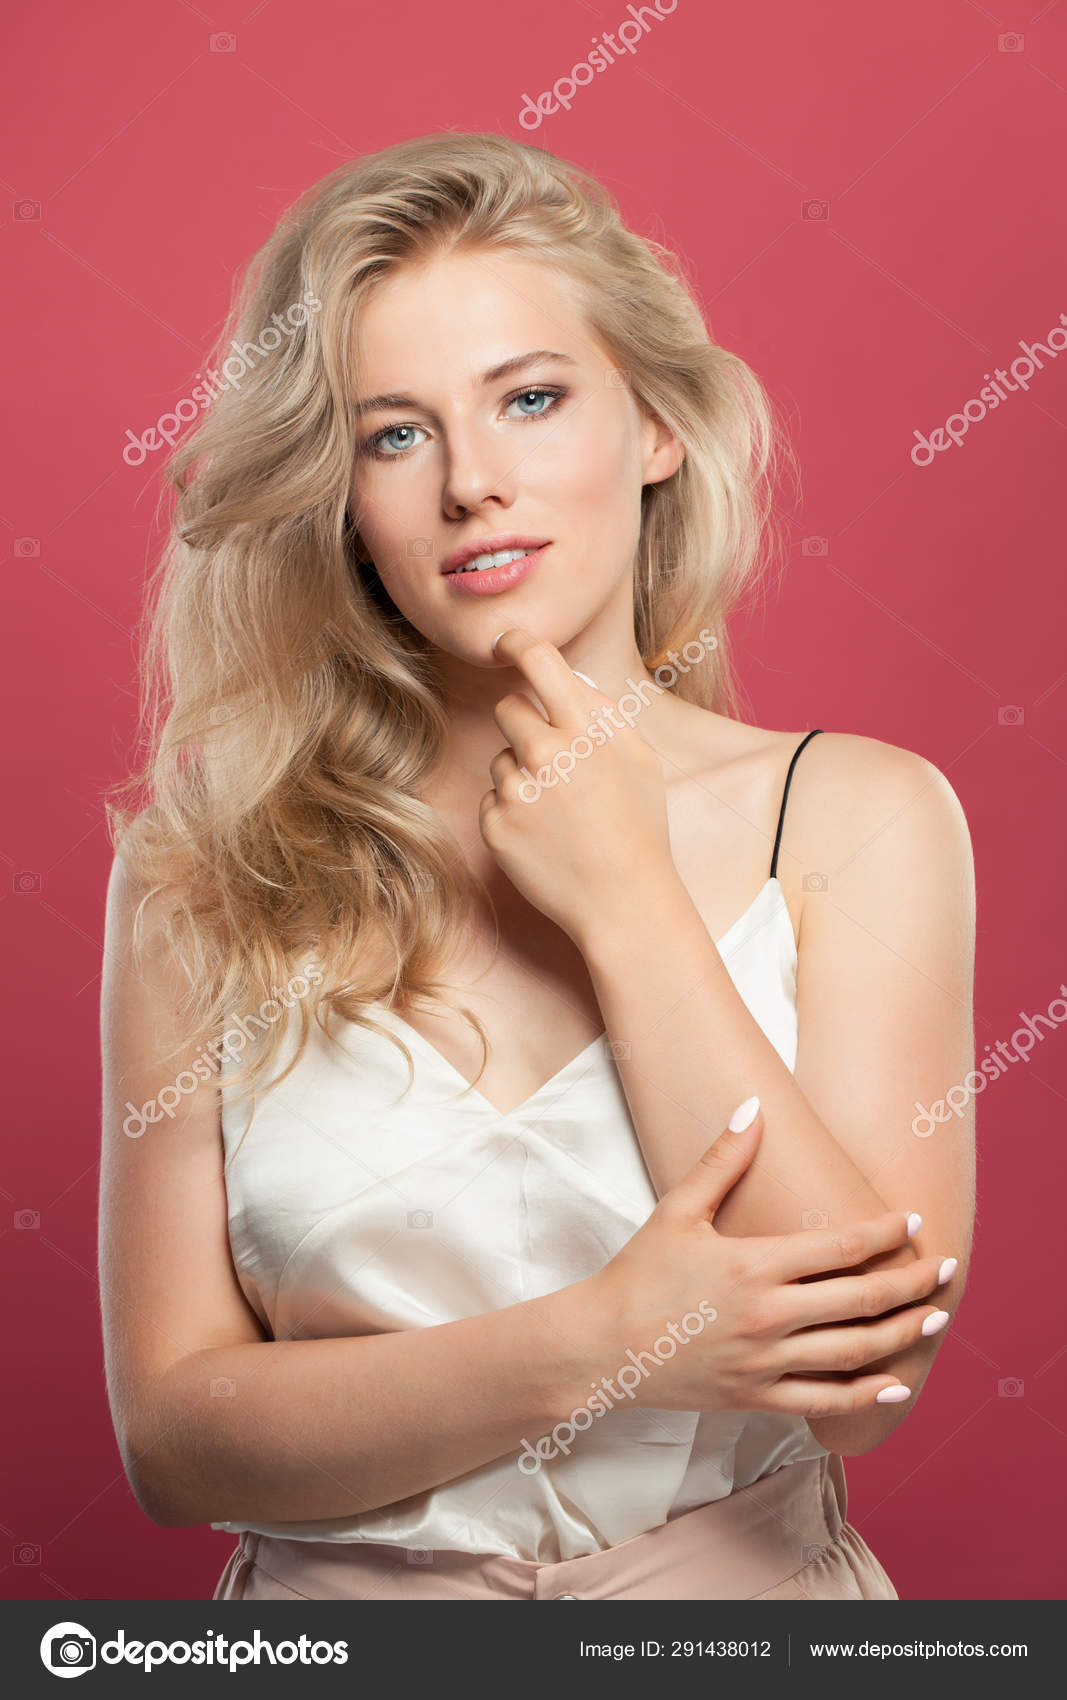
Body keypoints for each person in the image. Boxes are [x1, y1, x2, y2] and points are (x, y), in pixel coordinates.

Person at [98, 132, 975, 1602]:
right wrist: (609, 1337)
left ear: (655, 427)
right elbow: (175, 1442)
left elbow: (868, 1380)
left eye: (532, 398)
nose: (472, 485)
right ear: (343, 499)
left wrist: (627, 898)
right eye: (394, 434)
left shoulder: (856, 817)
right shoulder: (207, 865)